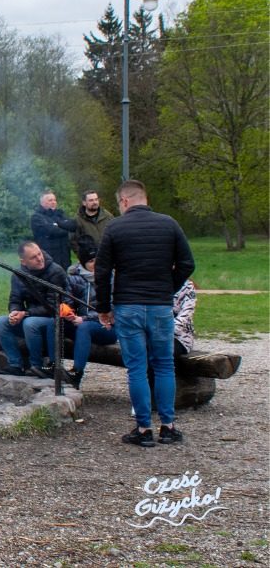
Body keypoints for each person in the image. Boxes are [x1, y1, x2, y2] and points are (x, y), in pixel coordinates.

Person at [95, 179, 195, 448]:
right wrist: (168, 289)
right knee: (164, 364)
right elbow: (187, 263)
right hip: (161, 306)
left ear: (125, 201)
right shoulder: (169, 224)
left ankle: (143, 429)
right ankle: (168, 426)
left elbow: (101, 271)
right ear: (144, 197)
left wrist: (104, 308)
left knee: (136, 367)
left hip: (128, 306)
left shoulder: (114, 227)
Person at [0, 241, 67, 377]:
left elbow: (53, 307)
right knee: (0, 321)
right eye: (34, 257)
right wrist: (14, 312)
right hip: (31, 317)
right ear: (23, 262)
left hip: (53, 320)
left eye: (39, 253)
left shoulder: (55, 271)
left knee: (30, 323)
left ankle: (37, 365)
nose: (40, 258)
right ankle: (15, 364)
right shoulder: (18, 274)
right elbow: (15, 299)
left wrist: (25, 313)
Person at [58, 237, 118, 390]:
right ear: (83, 263)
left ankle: (76, 374)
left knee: (85, 327)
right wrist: (69, 314)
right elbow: (67, 300)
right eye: (91, 261)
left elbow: (113, 308)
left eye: (98, 259)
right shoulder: (73, 278)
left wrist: (83, 318)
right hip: (79, 323)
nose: (96, 264)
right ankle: (51, 366)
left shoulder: (111, 278)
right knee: (54, 323)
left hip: (107, 327)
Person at [30, 189, 77, 268]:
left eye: (55, 200)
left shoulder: (60, 214)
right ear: (42, 203)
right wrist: (64, 227)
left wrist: (57, 225)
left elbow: (73, 226)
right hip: (49, 258)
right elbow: (52, 231)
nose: (53, 202)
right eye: (50, 200)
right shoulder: (36, 217)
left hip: (65, 258)